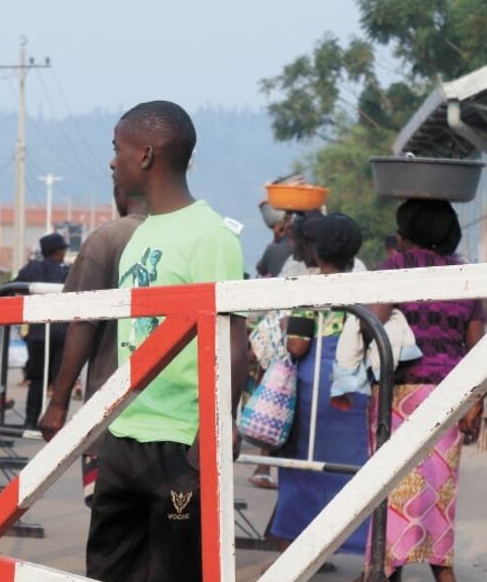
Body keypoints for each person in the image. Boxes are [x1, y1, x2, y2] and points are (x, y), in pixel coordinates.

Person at [86, 101, 247, 581]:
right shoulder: (141, 234)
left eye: (119, 149)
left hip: (180, 439)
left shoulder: (211, 236)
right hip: (124, 431)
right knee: (109, 566)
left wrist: (216, 426)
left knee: (172, 570)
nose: (113, 161)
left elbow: (232, 338)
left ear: (148, 155)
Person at [371, 199, 485, 582]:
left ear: (408, 232)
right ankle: (442, 568)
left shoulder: (396, 267)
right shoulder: (465, 274)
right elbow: (476, 347)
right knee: (439, 490)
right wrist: (475, 404)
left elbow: (372, 324)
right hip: (449, 394)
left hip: (399, 393)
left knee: (391, 489)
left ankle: (386, 567)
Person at [37, 184, 147, 504]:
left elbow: (81, 322)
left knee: (110, 529)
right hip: (176, 419)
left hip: (110, 411)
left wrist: (58, 403)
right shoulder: (195, 237)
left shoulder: (109, 237)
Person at [269, 214, 370, 553]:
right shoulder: (365, 286)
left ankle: (293, 555)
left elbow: (297, 345)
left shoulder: (310, 289)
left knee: (302, 472)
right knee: (353, 472)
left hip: (313, 393)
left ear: (319, 249)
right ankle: (362, 548)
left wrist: (286, 325)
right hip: (353, 389)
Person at [15, 233, 69, 429]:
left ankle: (30, 422)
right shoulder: (66, 271)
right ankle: (56, 424)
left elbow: (12, 288)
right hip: (62, 333)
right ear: (57, 251)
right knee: (61, 381)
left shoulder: (31, 268)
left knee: (37, 380)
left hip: (37, 334)